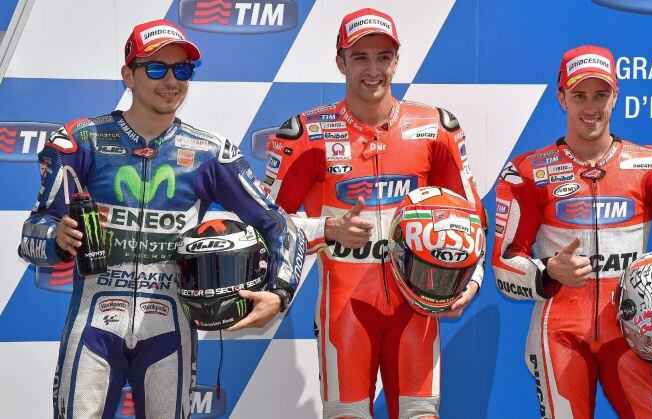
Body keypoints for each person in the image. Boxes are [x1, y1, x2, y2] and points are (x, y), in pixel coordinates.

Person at [17, 19, 305, 418]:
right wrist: (56, 239)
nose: (171, 80)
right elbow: (32, 231)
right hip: (93, 324)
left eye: (182, 70)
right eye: (156, 68)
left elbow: (280, 224)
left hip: (169, 325)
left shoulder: (210, 152)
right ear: (128, 75)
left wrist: (279, 291)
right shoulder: (81, 140)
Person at [263, 8, 486, 419]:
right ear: (340, 61)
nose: (373, 69)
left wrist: (467, 287)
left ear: (396, 61)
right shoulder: (306, 134)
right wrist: (326, 229)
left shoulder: (437, 128)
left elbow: (473, 222)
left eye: (383, 56)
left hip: (419, 307)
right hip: (345, 307)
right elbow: (266, 224)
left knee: (421, 415)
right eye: (360, 57)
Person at [492, 45, 652, 418]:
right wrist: (547, 271)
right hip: (559, 332)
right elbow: (503, 264)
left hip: (639, 329)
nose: (591, 108)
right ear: (561, 98)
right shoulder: (527, 172)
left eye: (601, 95)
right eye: (580, 96)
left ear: (615, 96)